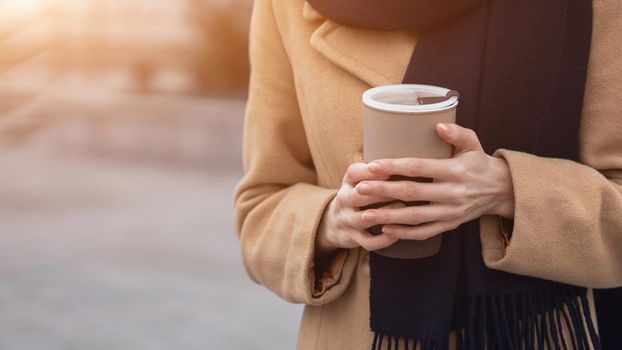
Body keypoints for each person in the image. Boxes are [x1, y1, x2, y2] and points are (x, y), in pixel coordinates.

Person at [234, 0, 622, 349]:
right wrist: (333, 220)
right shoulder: (284, 6)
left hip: (529, 332)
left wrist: (507, 190)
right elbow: (259, 212)